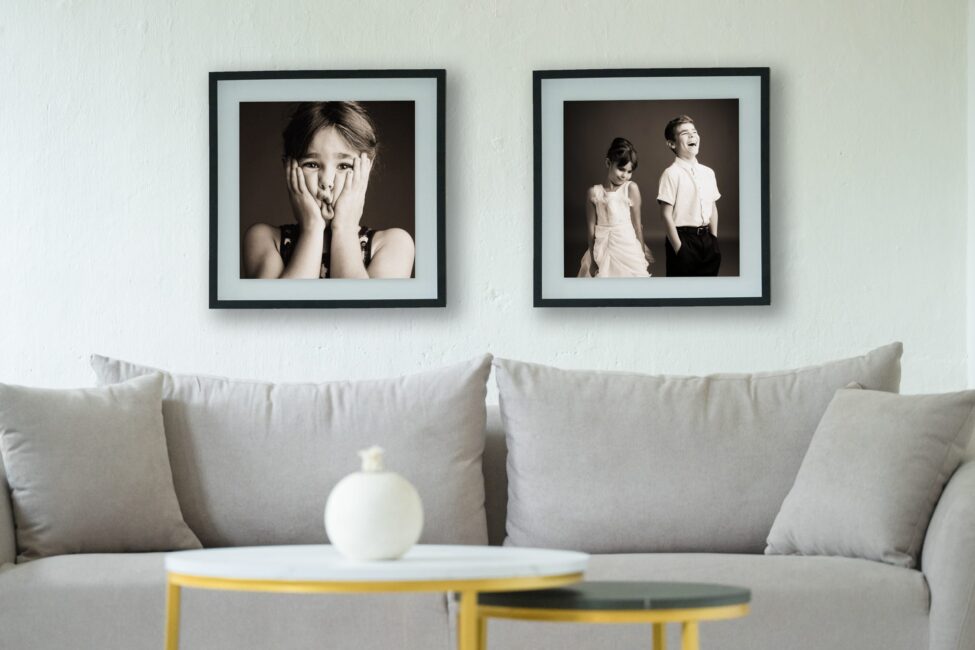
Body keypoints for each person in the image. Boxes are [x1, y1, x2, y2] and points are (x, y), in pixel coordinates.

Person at [243, 101, 415, 279]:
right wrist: (312, 228)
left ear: (366, 170)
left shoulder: (394, 244)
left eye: (344, 165)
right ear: (288, 167)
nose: (326, 181)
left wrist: (345, 227)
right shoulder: (264, 239)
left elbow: (362, 307)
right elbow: (283, 306)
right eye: (311, 164)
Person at [577, 137, 653, 278]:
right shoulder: (594, 193)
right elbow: (590, 229)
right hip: (602, 247)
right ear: (608, 163)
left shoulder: (631, 188)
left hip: (626, 246)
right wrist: (593, 261)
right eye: (621, 169)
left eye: (629, 171)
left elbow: (637, 226)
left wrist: (641, 255)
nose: (625, 175)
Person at [656, 115, 721, 277]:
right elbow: (665, 215)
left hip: (707, 240)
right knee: (681, 292)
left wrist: (714, 239)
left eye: (694, 131)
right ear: (671, 143)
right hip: (683, 239)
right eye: (685, 133)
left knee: (707, 292)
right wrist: (679, 248)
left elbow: (712, 208)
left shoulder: (708, 173)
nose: (692, 135)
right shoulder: (671, 174)